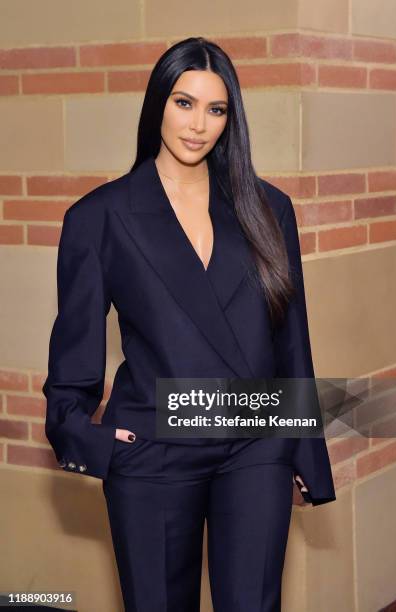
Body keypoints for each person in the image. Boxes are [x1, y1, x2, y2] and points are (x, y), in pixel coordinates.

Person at [42, 36, 336, 612]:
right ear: (157, 105)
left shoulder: (268, 208)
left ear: (231, 118)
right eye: (184, 103)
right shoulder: (98, 218)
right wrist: (97, 443)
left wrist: (305, 450)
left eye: (216, 109)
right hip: (152, 450)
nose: (198, 124)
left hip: (255, 444)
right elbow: (72, 364)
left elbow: (291, 342)